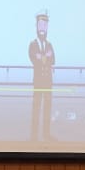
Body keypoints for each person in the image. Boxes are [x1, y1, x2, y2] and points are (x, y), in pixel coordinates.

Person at [28, 10, 55, 141]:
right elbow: (34, 59)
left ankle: (46, 134)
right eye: (40, 25)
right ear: (36, 26)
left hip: (48, 81)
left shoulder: (49, 44)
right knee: (36, 107)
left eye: (45, 25)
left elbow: (53, 60)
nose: (43, 28)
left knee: (47, 108)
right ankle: (34, 136)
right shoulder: (33, 44)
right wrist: (45, 57)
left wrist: (42, 57)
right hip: (38, 81)